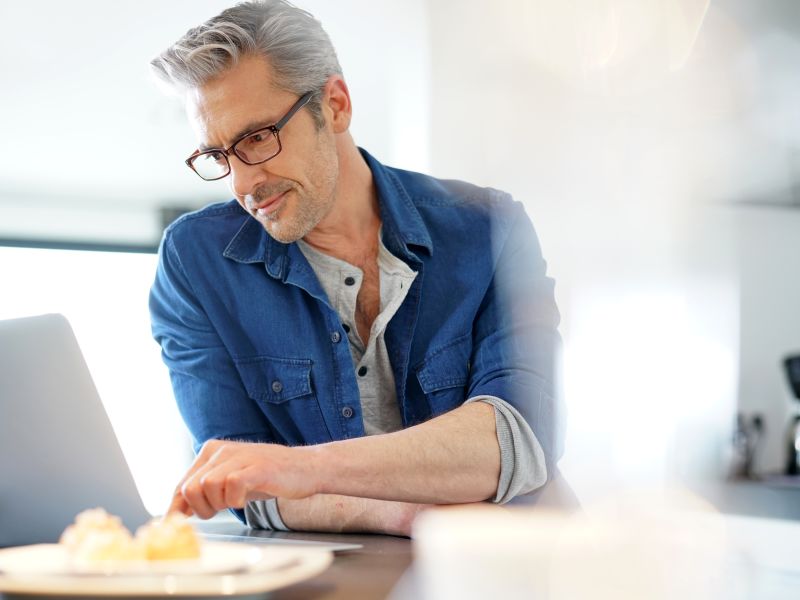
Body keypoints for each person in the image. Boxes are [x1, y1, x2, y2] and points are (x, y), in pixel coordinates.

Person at [149, 0, 564, 537]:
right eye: (219, 156)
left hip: (499, 567)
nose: (243, 184)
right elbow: (239, 481)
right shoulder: (194, 262)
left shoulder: (490, 228)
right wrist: (413, 516)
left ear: (336, 105)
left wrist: (301, 469)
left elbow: (518, 438)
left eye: (257, 139)